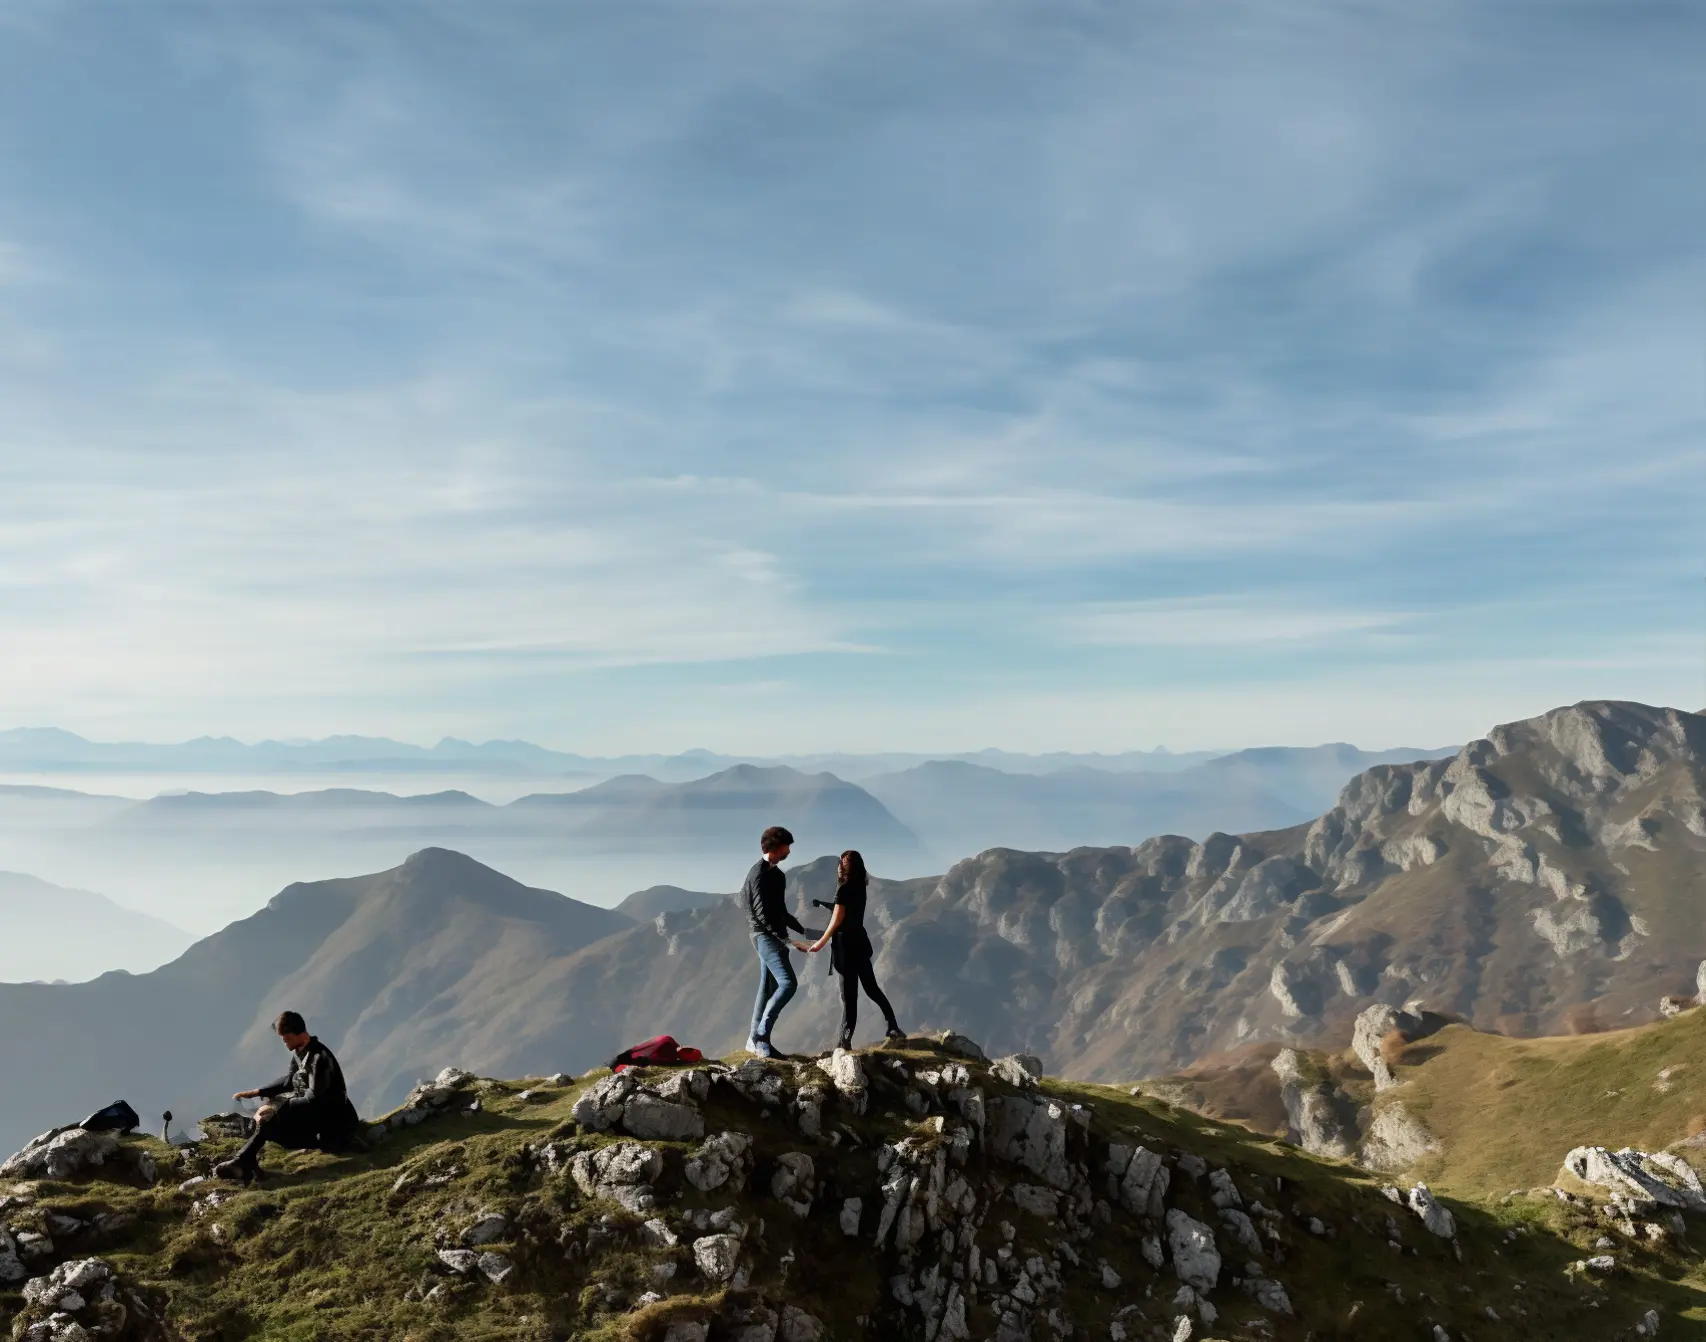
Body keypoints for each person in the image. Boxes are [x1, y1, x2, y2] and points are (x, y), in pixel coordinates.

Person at [213, 1011, 360, 1184]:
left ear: (299, 1033)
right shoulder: (300, 1053)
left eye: (287, 1037)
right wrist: (258, 1092)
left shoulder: (319, 1058)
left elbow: (314, 1099)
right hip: (315, 1116)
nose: (284, 1042)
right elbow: (289, 1082)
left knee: (270, 1120)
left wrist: (277, 1109)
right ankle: (246, 1163)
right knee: (268, 1122)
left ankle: (243, 1164)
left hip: (334, 1124)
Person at [807, 849, 905, 1050]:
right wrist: (824, 904)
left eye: (841, 863)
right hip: (860, 944)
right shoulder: (860, 886)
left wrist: (821, 941)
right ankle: (893, 1026)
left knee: (849, 998)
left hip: (845, 949)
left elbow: (837, 919)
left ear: (843, 866)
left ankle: (844, 1042)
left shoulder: (842, 889)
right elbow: (843, 909)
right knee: (872, 989)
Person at [743, 825, 811, 1059]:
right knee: (788, 984)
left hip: (774, 936)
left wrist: (805, 931)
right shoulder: (757, 874)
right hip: (764, 937)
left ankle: (755, 1040)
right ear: (774, 847)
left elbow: (781, 912)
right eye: (786, 847)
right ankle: (761, 1037)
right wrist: (789, 942)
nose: (789, 852)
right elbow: (761, 916)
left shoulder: (778, 876)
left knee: (767, 988)